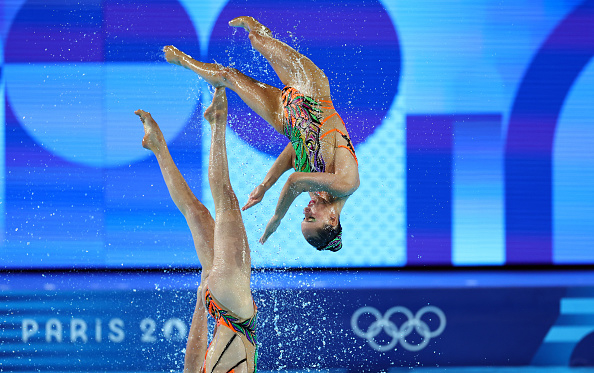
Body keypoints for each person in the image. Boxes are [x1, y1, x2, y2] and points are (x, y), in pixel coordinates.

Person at [163, 16, 360, 252]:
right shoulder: (346, 183)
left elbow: (296, 149)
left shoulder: (318, 192)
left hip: (285, 117)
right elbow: (294, 180)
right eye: (310, 218)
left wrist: (265, 186)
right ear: (332, 219)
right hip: (313, 91)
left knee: (229, 77)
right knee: (257, 40)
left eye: (303, 217)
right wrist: (277, 217)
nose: (306, 211)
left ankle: (183, 60)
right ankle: (260, 30)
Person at [135, 87, 257, 373]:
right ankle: (157, 146)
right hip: (217, 305)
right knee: (196, 211)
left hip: (233, 305)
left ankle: (217, 122)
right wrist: (201, 303)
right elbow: (192, 362)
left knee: (225, 199)